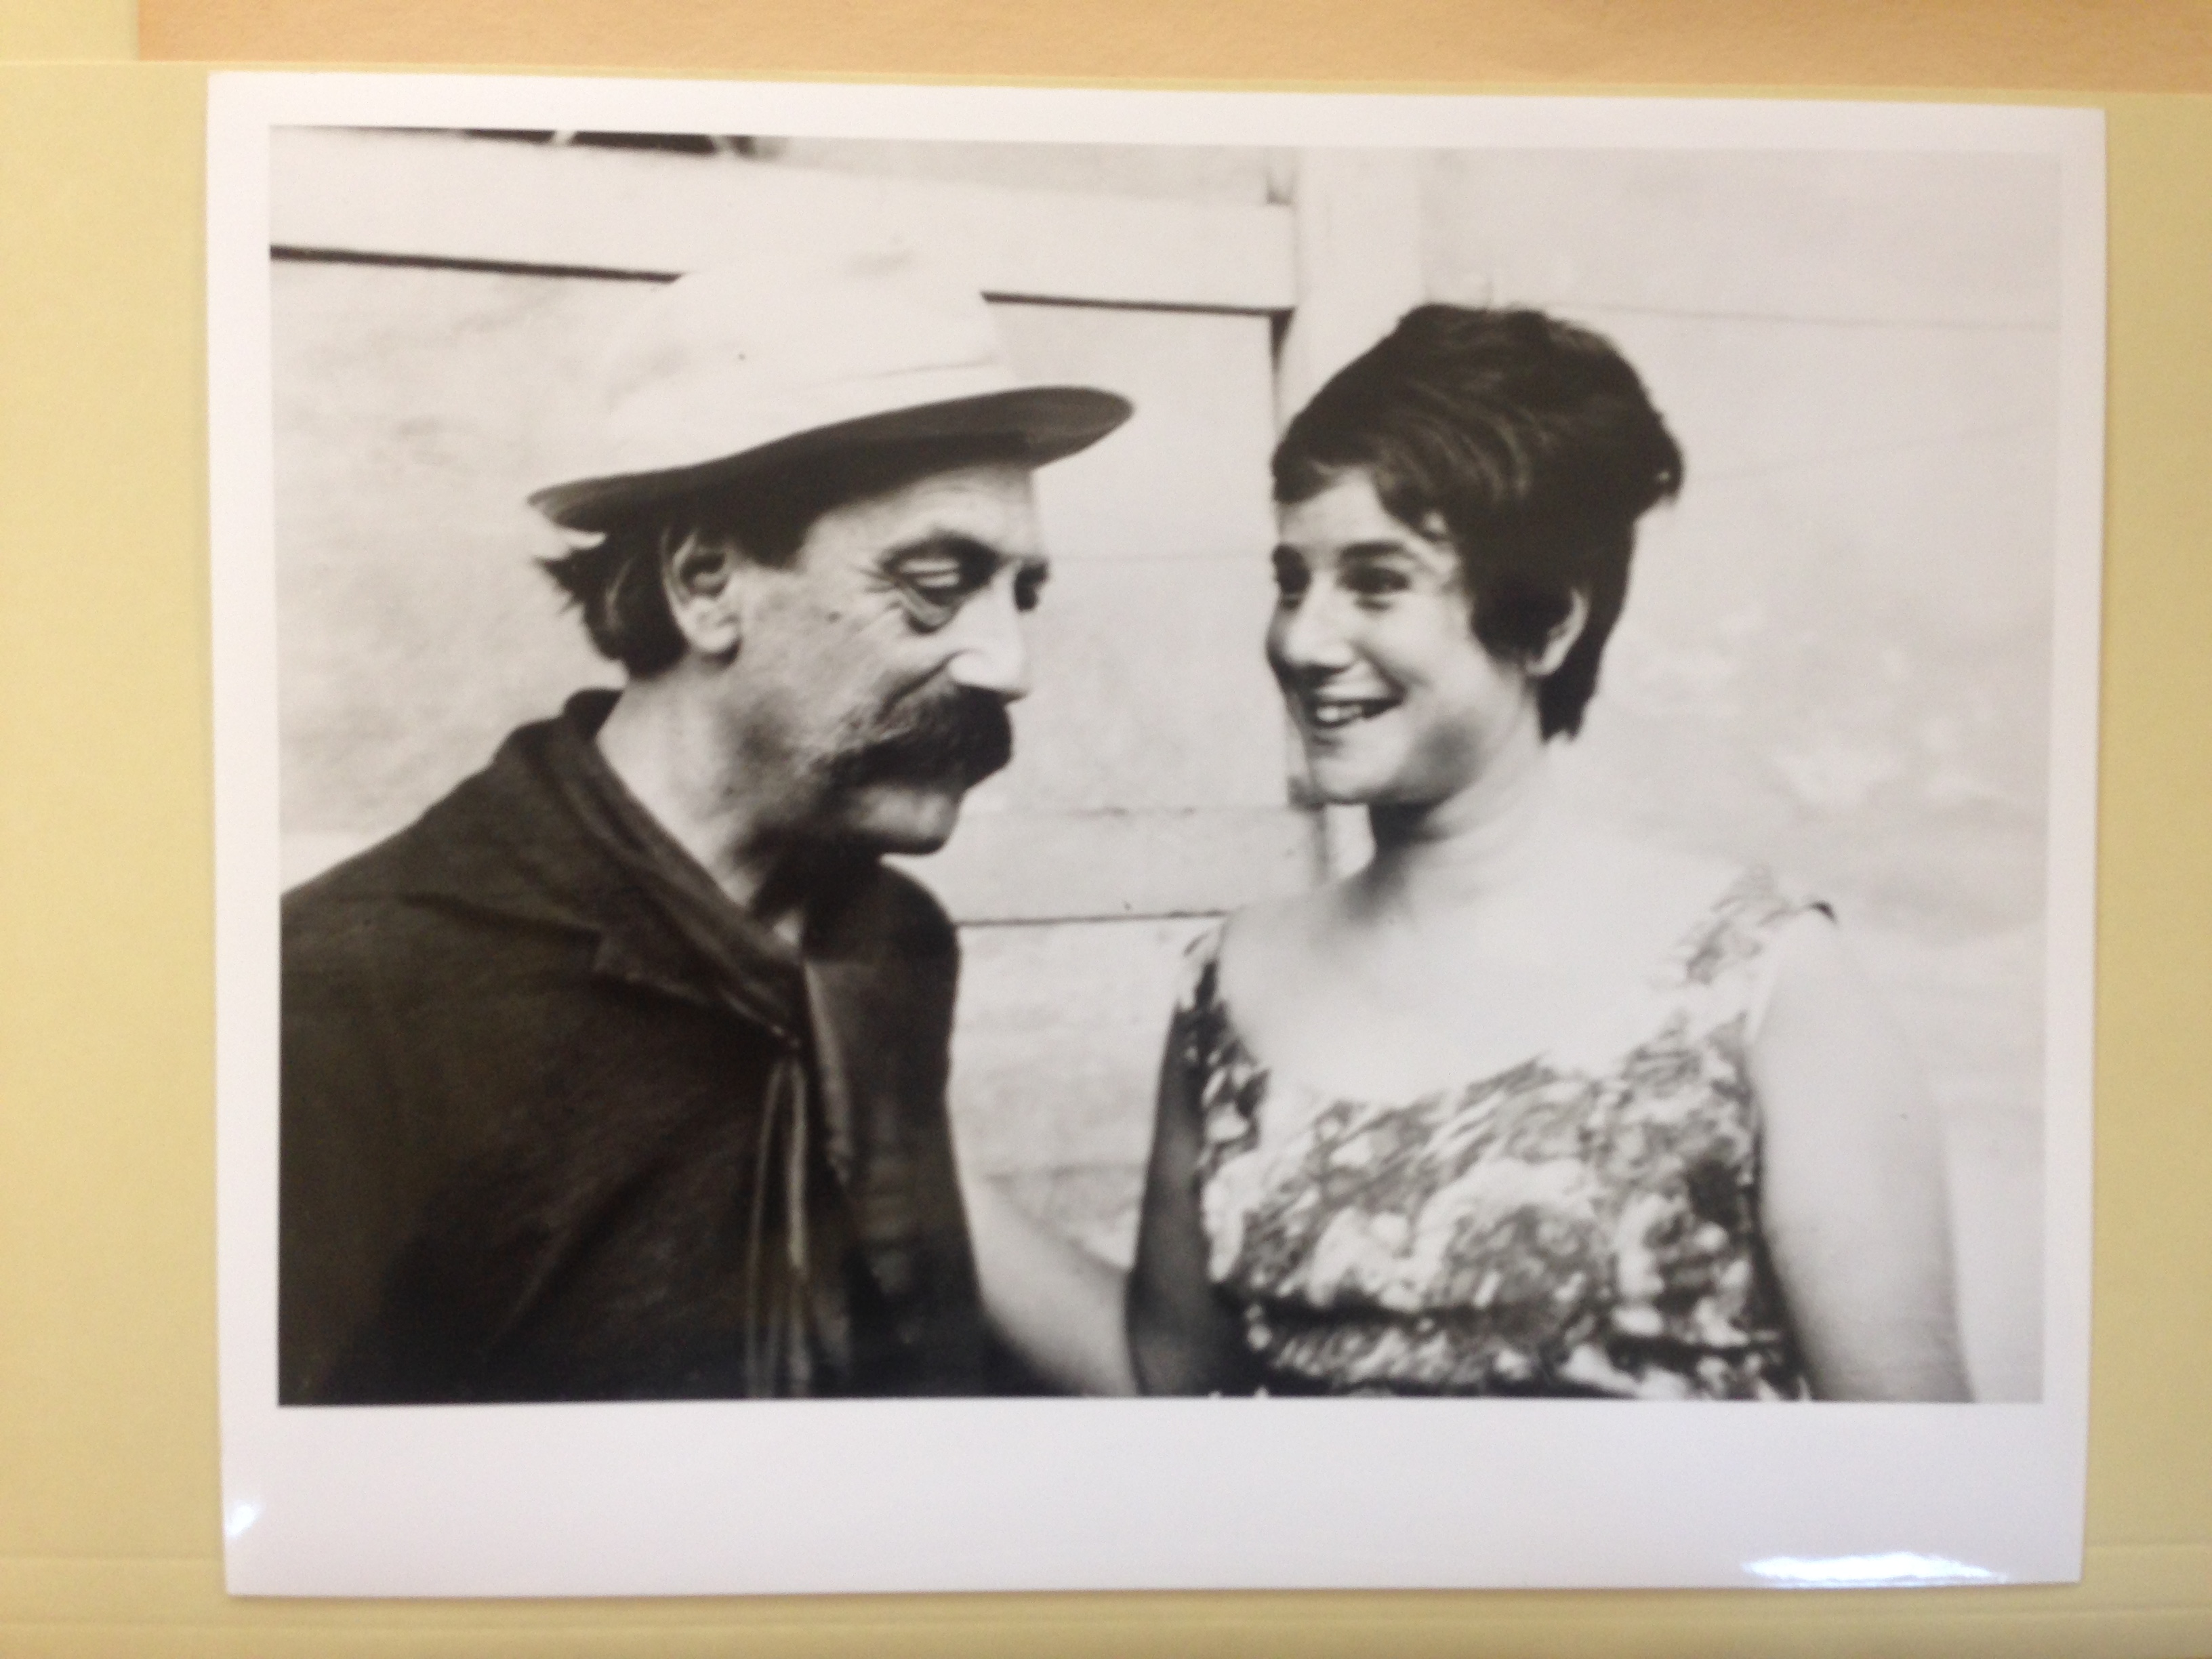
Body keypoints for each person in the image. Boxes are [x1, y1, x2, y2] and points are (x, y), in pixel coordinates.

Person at [279, 242, 1132, 1404]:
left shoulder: (893, 945)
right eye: (938, 586)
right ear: (706, 582)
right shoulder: (343, 1000)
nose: (1011, 664)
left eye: (1020, 595)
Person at [1126, 305, 1970, 1401]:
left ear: (1547, 622)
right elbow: (1159, 1387)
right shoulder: (1226, 984)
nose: (1302, 638)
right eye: (1293, 580)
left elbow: (1917, 1453)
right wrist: (920, 1133)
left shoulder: (1758, 981)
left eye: (1377, 581)